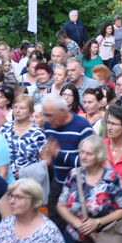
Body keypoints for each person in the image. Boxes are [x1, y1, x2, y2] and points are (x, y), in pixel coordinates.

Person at [41, 94, 95, 230]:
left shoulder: (82, 126)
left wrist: (59, 154)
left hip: (79, 189)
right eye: (45, 115)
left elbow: (90, 162)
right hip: (58, 184)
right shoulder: (48, 125)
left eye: (50, 115)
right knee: (55, 228)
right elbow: (50, 152)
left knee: (78, 230)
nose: (47, 120)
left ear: (62, 111)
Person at [1, 95, 47, 179]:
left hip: (28, 181)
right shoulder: (4, 128)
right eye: (15, 107)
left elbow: (46, 160)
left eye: (22, 108)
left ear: (31, 111)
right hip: (5, 179)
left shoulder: (37, 133)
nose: (17, 110)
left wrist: (29, 172)